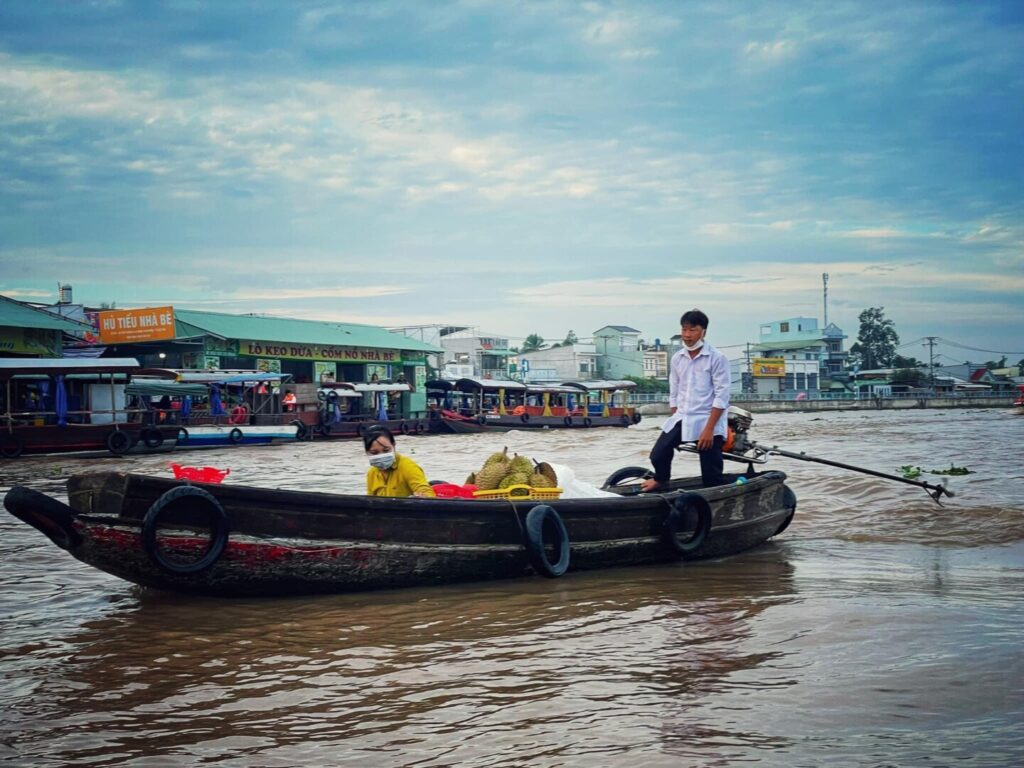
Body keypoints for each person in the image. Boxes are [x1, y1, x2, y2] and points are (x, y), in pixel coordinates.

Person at [641, 309, 730, 491]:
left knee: (711, 474)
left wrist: (709, 430)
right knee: (658, 454)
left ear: (703, 332)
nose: (687, 335)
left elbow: (722, 396)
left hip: (708, 418)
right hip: (683, 416)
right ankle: (662, 479)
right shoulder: (677, 358)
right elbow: (674, 389)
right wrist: (675, 416)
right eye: (684, 330)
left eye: (693, 330)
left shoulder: (717, 358)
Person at [363, 425, 436, 498]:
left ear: (394, 445)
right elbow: (370, 501)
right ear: (367, 452)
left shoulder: (408, 467)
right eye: (374, 453)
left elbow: (427, 493)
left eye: (386, 450)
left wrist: (421, 497)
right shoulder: (372, 473)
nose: (381, 455)